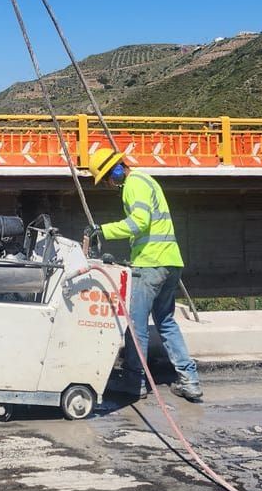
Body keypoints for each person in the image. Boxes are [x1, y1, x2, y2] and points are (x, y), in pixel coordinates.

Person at [85, 147, 203, 402]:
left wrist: (102, 230)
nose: (108, 185)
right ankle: (190, 381)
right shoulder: (147, 180)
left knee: (136, 324)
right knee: (166, 321)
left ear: (116, 171)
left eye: (106, 179)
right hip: (170, 262)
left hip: (150, 264)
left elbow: (139, 222)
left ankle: (133, 382)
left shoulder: (133, 185)